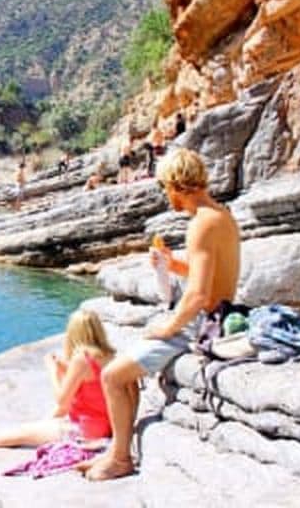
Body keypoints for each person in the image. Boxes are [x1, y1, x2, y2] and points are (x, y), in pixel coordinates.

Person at [80, 148, 241, 481]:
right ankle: (118, 449)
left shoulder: (202, 224)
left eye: (165, 187)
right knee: (123, 369)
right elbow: (207, 276)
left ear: (177, 184)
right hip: (219, 315)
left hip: (202, 324)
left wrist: (168, 328)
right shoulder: (220, 215)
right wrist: (172, 263)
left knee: (112, 377)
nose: (166, 195)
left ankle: (121, 458)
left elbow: (197, 295)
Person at [0, 309, 114, 449]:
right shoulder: (108, 355)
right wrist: (65, 367)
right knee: (49, 419)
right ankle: (42, 427)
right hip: (104, 424)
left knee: (24, 433)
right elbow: (90, 383)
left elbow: (62, 401)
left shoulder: (81, 359)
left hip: (88, 431)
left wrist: (53, 370)